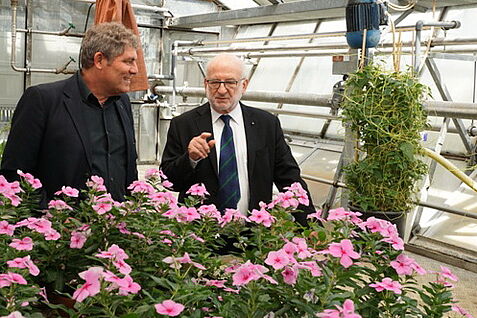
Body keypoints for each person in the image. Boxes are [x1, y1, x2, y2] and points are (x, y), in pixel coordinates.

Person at [161, 53, 314, 225]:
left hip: (253, 236)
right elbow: (169, 182)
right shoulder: (184, 124)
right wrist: (189, 159)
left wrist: (311, 226)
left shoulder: (266, 125)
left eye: (230, 82)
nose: (221, 90)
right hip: (201, 237)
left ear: (244, 85)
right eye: (214, 82)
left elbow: (289, 179)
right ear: (205, 84)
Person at [0, 22, 139, 205]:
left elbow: (127, 171)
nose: (135, 70)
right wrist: (52, 215)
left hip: (116, 229)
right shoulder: (43, 100)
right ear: (99, 60)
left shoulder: (122, 103)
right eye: (128, 61)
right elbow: (14, 174)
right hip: (62, 229)